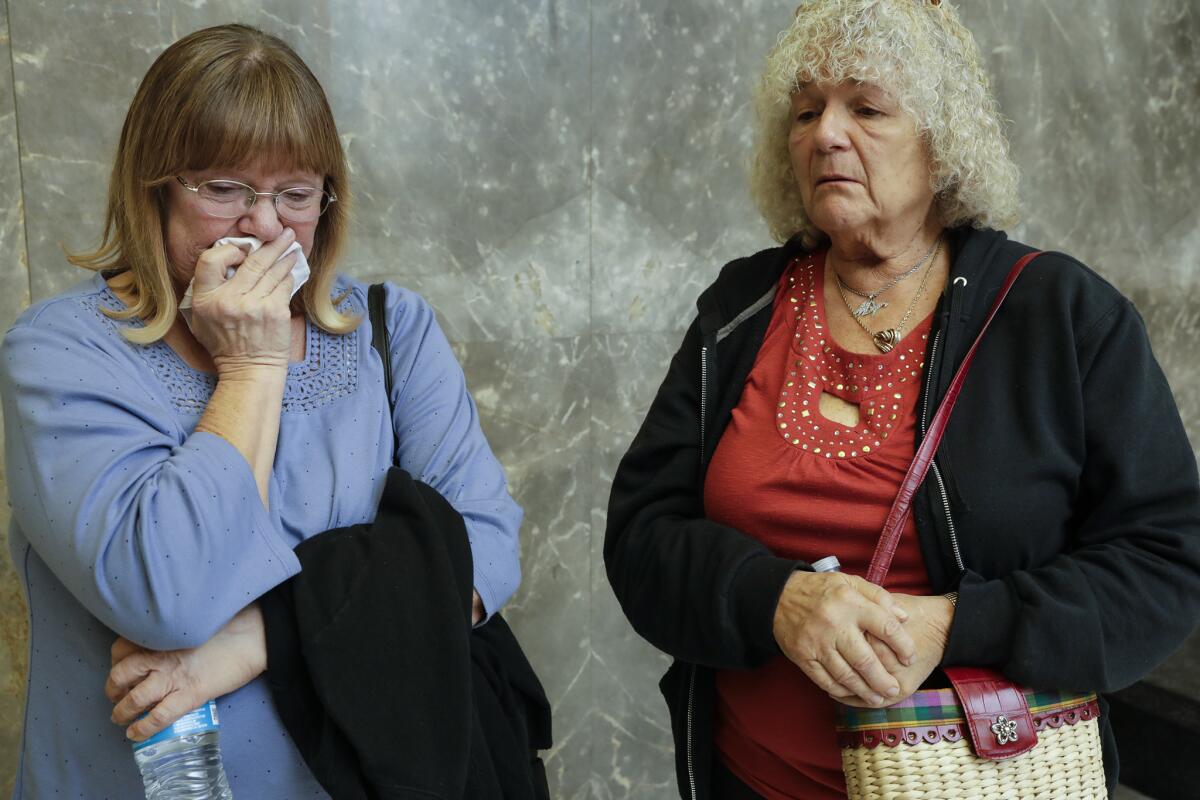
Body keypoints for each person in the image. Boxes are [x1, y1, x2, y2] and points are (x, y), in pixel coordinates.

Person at [603, 1, 1200, 798]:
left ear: (941, 140)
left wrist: (954, 625)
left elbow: (1168, 564)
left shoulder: (1060, 314)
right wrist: (776, 600)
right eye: (806, 110)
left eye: (868, 107)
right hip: (750, 780)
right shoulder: (741, 308)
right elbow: (641, 536)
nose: (826, 134)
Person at [0, 24, 523, 798]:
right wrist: (250, 366)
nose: (266, 224)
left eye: (295, 194)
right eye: (225, 189)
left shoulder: (391, 330)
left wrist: (257, 640)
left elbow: (483, 555)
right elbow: (168, 599)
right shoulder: (60, 352)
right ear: (152, 187)